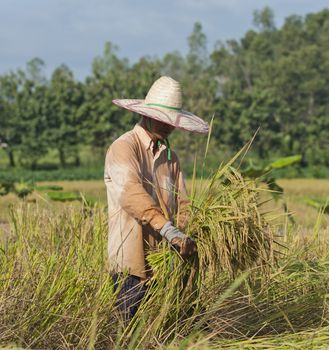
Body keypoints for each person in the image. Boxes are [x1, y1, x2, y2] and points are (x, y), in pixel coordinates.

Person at [104, 76, 209, 322]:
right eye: (162, 119)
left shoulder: (170, 157)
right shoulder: (124, 147)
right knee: (128, 331)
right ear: (147, 115)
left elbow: (183, 202)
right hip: (131, 258)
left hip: (166, 259)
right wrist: (168, 229)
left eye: (171, 122)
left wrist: (185, 231)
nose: (167, 126)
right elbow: (130, 193)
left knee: (181, 325)